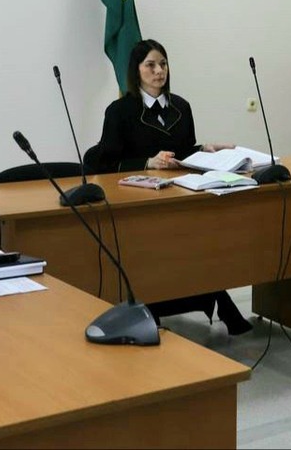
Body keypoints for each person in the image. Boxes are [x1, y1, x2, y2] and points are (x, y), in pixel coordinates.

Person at [84, 39, 253, 335]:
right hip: (136, 203)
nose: (159, 71)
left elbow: (183, 152)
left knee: (199, 245)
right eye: (150, 65)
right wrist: (147, 162)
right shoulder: (120, 111)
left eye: (162, 64)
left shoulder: (181, 107)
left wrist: (205, 149)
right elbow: (105, 162)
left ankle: (208, 292)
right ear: (136, 70)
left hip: (180, 195)